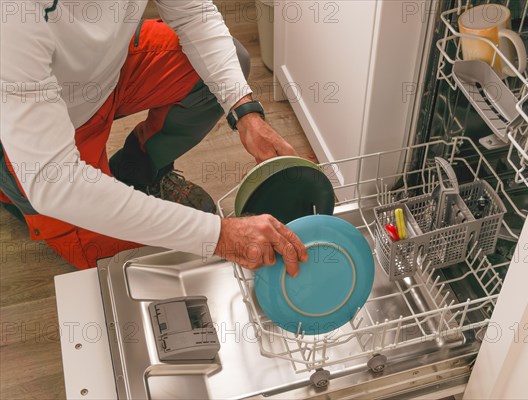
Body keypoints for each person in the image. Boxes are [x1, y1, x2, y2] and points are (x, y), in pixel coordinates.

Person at [0, 0, 308, 275]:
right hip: (33, 130)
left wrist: (245, 113)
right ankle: (16, 193)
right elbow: (56, 182)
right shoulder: (12, 17)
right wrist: (219, 236)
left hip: (105, 74)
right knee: (129, 261)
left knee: (227, 65)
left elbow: (192, 14)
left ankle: (136, 171)